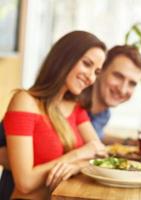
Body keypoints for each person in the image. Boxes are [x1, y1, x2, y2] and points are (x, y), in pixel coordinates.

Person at [2, 30, 107, 199]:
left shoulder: (75, 108)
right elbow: (25, 182)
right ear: (65, 58)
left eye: (96, 72)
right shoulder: (24, 101)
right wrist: (76, 155)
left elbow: (101, 153)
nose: (91, 78)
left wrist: (79, 165)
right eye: (87, 64)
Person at [83, 45, 141, 144]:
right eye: (118, 76)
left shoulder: (104, 114)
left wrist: (129, 142)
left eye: (132, 83)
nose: (122, 90)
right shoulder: (73, 105)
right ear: (100, 70)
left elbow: (97, 136)